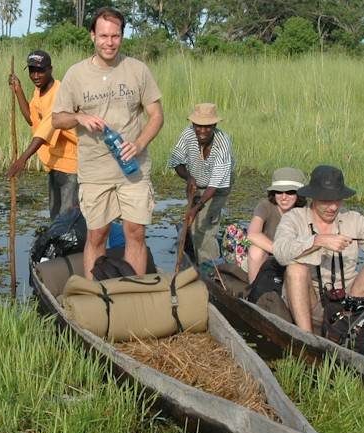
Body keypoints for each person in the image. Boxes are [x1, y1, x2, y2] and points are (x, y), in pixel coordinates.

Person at [52, 6, 164, 278]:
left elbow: (157, 116)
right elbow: (57, 119)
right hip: (94, 171)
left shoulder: (137, 70)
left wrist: (138, 144)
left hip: (133, 169)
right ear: (92, 36)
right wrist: (79, 117)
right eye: (103, 36)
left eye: (115, 36)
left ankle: (135, 294)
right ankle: (95, 295)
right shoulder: (76, 74)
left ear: (122, 36)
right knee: (97, 234)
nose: (109, 42)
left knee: (135, 233)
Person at [273, 165, 364, 334]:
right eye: (326, 201)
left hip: (349, 300)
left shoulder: (353, 219)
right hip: (311, 303)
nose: (333, 207)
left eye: (337, 200)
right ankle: (307, 339)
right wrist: (317, 241)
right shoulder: (293, 218)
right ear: (313, 197)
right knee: (296, 269)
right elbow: (280, 252)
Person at [5, 49, 79, 219]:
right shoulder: (39, 91)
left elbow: (46, 128)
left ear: (50, 69)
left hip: (71, 165)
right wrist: (18, 90)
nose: (36, 76)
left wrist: (23, 159)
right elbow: (32, 119)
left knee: (68, 219)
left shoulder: (60, 93)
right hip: (54, 163)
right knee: (56, 217)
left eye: (40, 71)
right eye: (32, 71)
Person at [168, 103, 233, 264]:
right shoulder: (187, 134)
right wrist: (188, 177)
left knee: (204, 227)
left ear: (214, 125)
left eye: (207, 127)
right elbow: (176, 161)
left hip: (218, 187)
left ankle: (210, 267)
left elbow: (215, 184)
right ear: (193, 124)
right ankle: (192, 255)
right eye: (198, 126)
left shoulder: (223, 143)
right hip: (196, 181)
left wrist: (197, 207)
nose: (202, 131)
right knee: (192, 224)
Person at [247, 167, 307, 283]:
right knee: (256, 251)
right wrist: (280, 250)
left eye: (290, 192)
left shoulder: (305, 211)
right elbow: (253, 234)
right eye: (279, 192)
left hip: (295, 256)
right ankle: (253, 290)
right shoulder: (265, 206)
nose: (284, 197)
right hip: (269, 254)